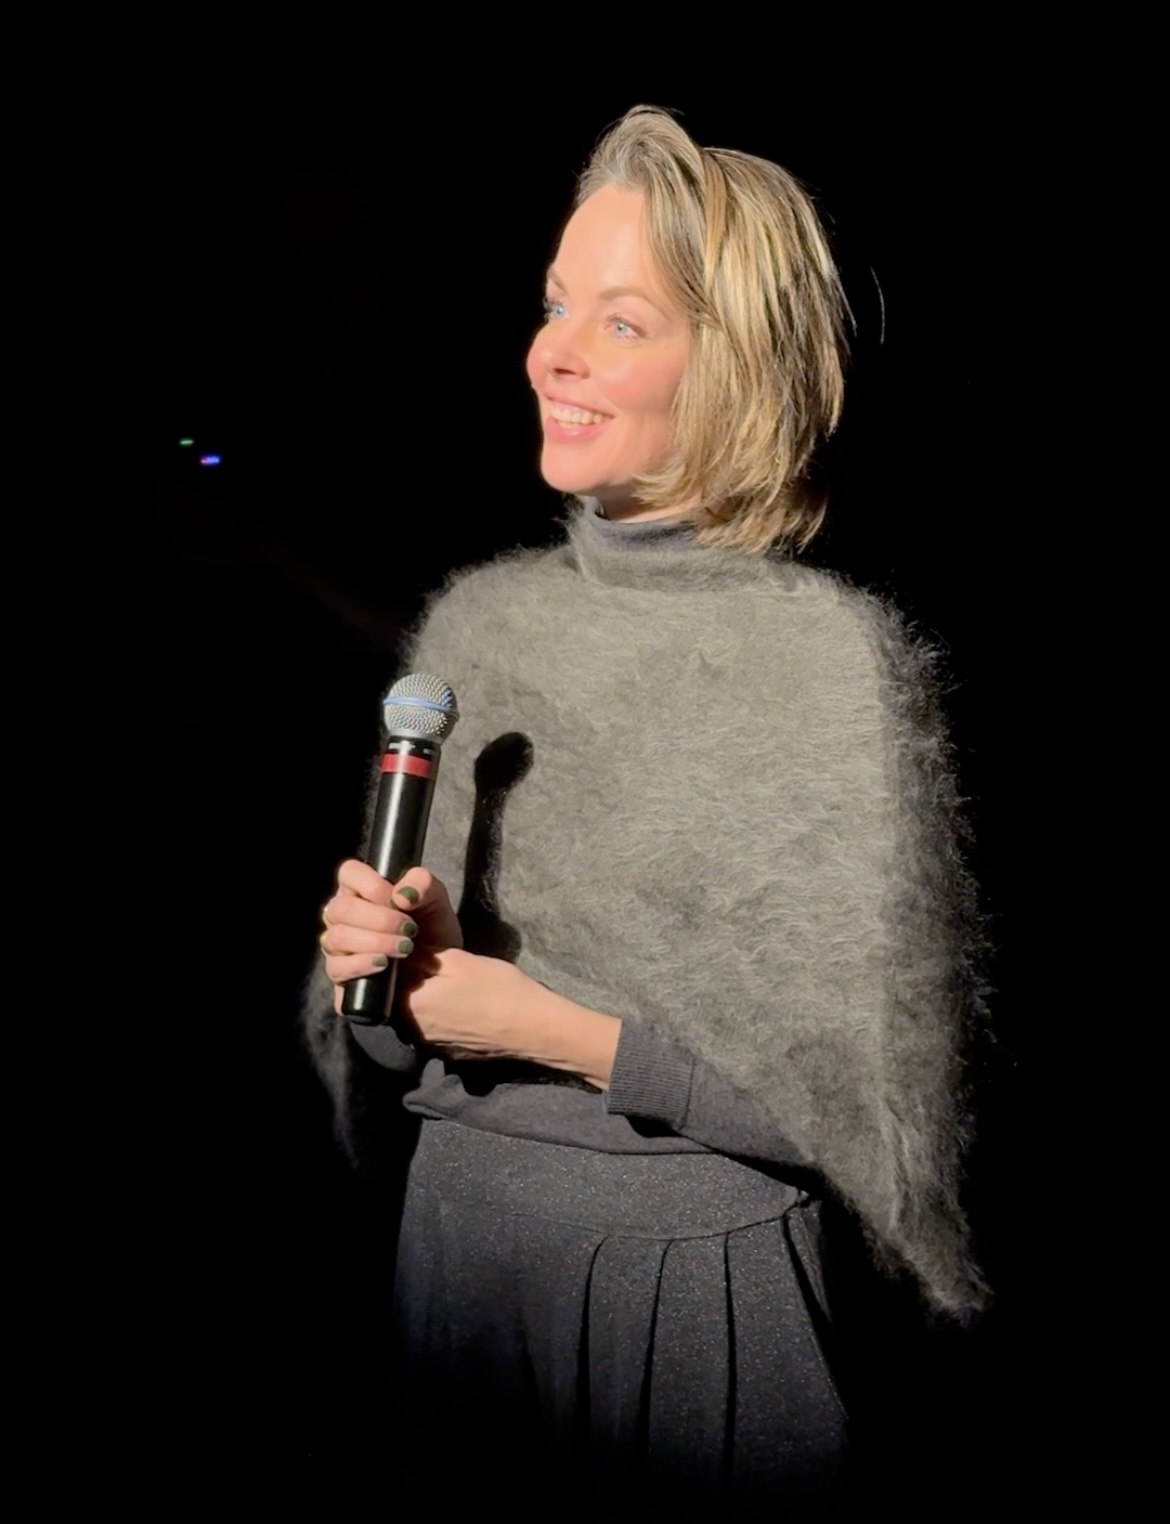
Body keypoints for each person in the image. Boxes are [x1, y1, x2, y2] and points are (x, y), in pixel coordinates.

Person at [305, 106, 985, 1512]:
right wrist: (381, 973)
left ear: (731, 369)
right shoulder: (479, 627)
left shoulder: (824, 667)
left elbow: (871, 1118)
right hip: (455, 1263)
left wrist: (549, 1030)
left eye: (621, 322)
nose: (551, 351)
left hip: (685, 1292)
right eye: (557, 304)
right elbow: (383, 1047)